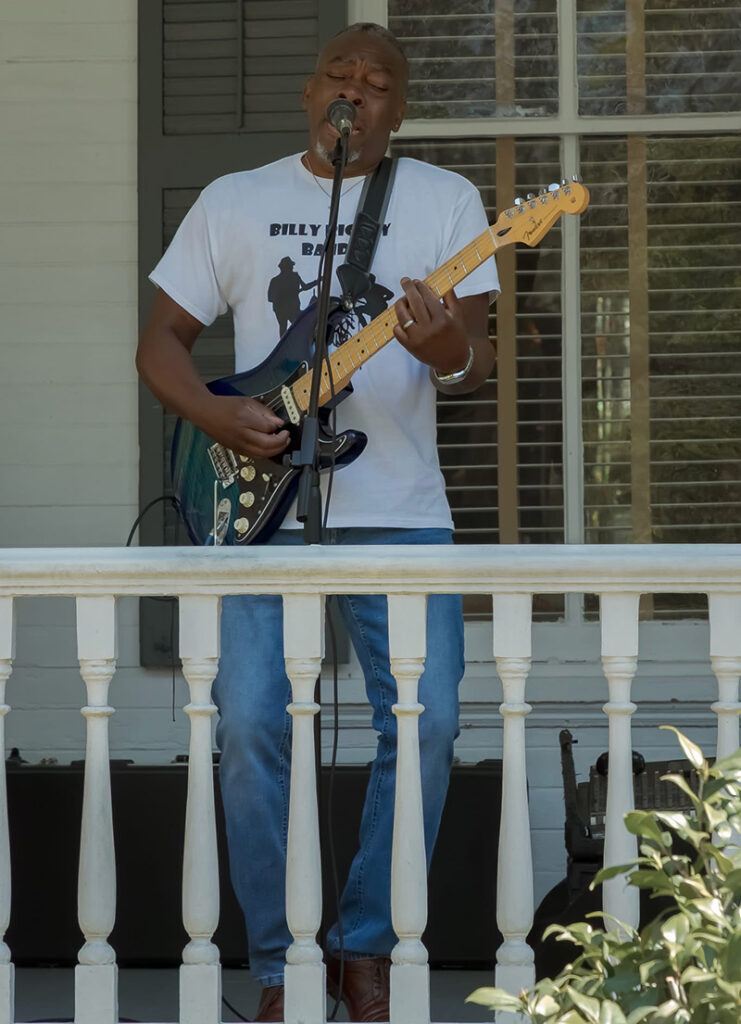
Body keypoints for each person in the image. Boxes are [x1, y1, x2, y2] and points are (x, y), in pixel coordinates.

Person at [136, 22, 499, 1023]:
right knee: (252, 729)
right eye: (341, 74)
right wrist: (216, 412)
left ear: (399, 107)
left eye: (378, 82)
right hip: (263, 511)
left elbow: (478, 356)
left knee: (425, 725)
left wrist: (436, 348)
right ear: (310, 94)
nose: (357, 89)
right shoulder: (236, 201)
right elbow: (161, 340)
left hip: (403, 512)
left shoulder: (446, 203)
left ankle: (367, 946)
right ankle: (280, 965)